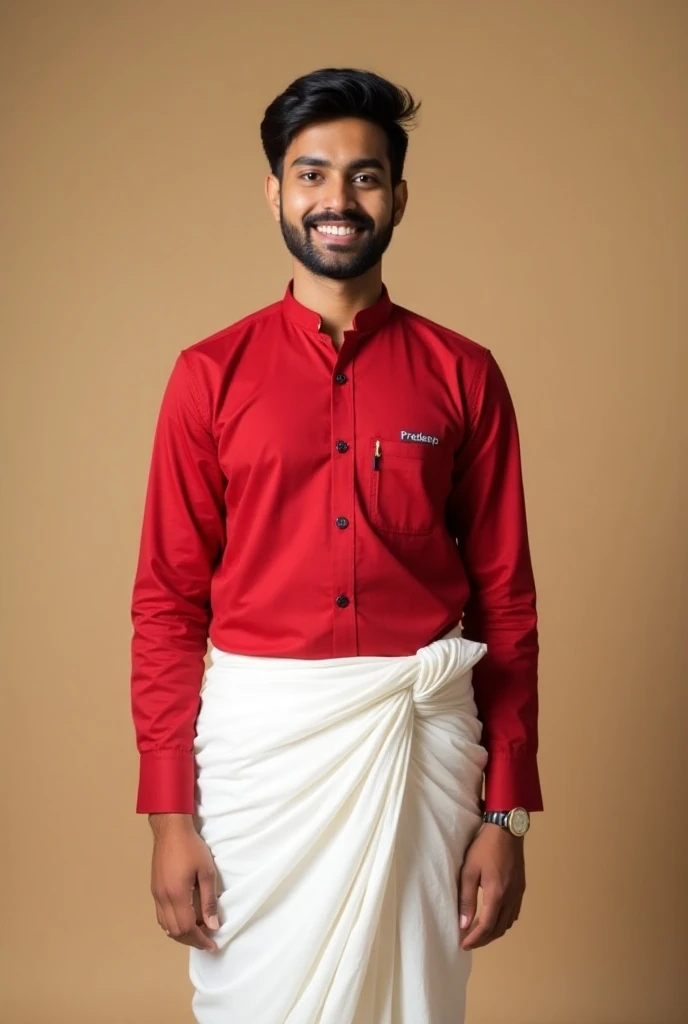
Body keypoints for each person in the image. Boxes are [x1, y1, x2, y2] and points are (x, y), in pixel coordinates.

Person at [129, 67, 543, 1024]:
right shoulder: (208, 377)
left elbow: (506, 605)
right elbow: (165, 606)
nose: (337, 199)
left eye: (364, 176)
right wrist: (168, 818)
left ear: (397, 196)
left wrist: (506, 813)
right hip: (257, 760)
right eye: (311, 174)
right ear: (275, 191)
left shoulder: (465, 376)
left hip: (421, 748)